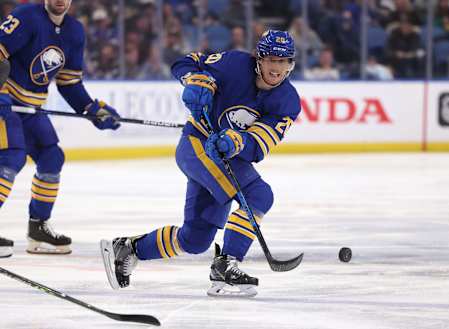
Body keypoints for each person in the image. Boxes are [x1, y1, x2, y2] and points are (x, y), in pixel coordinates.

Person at [100, 30, 300, 297]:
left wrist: (237, 141)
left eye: (283, 61)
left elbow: (258, 144)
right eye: (271, 60)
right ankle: (226, 266)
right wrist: (196, 81)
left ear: (291, 65)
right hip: (196, 145)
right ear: (258, 59)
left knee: (195, 240)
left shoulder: (288, 101)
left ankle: (129, 249)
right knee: (259, 194)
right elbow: (184, 62)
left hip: (224, 157)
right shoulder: (233, 63)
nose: (276, 67)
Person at [0, 0, 121, 258]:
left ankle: (38, 229)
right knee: (10, 159)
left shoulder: (74, 31)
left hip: (31, 109)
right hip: (6, 102)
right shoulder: (27, 16)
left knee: (51, 157)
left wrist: (92, 109)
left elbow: (69, 83)